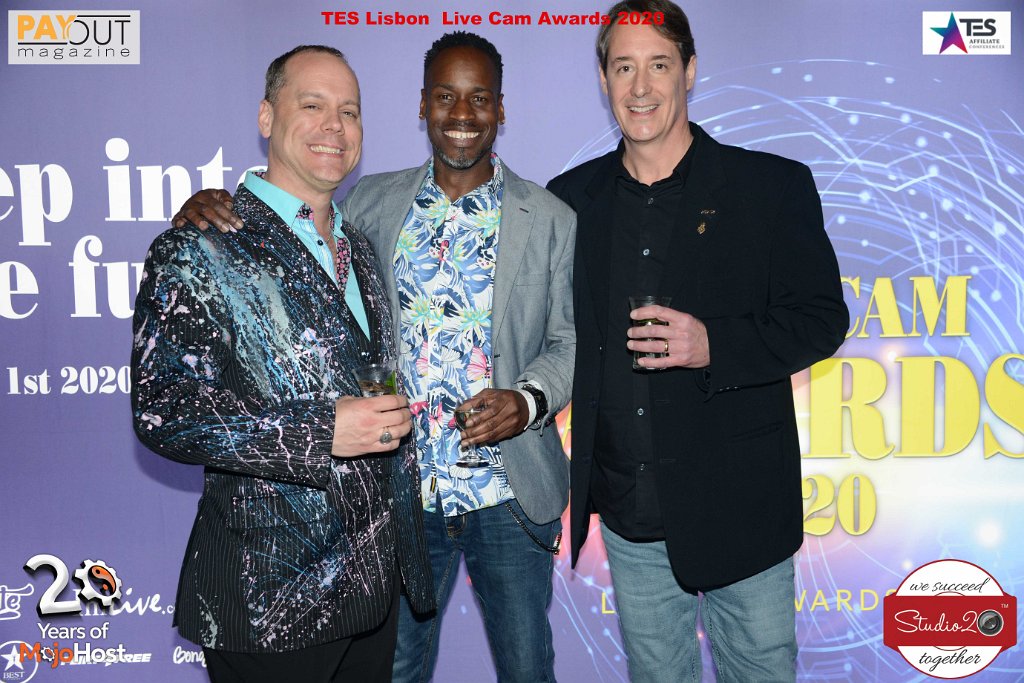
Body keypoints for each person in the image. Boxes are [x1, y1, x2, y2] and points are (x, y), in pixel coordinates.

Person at [172, 32, 576, 683]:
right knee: (397, 669)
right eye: (445, 96)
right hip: (394, 500)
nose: (462, 113)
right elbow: (294, 221)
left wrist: (528, 400)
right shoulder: (368, 205)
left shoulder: (552, 217)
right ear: (421, 105)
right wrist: (216, 204)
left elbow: (569, 338)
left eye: (480, 98)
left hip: (508, 491)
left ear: (501, 109)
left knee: (528, 666)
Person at [546, 1, 849, 681]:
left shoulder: (769, 187)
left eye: (658, 65)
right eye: (624, 67)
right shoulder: (569, 200)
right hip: (630, 513)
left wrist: (714, 343)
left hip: (741, 507)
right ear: (603, 78)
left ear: (689, 70)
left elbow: (821, 319)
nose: (641, 86)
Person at [132, 45, 434, 683]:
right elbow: (165, 411)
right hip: (269, 600)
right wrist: (320, 431)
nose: (335, 126)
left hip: (371, 591)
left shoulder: (358, 247)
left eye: (349, 111)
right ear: (267, 117)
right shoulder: (199, 247)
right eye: (313, 105)